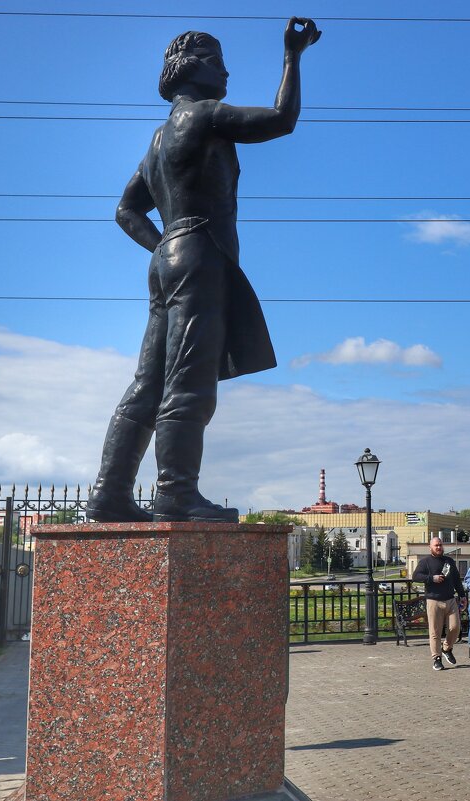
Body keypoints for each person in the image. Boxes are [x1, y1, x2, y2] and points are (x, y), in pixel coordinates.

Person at [86, 19, 321, 524]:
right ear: (193, 68)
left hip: (168, 258)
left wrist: (163, 247)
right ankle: (175, 492)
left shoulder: (155, 142)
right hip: (200, 254)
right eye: (218, 62)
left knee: (147, 382)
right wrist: (292, 55)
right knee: (189, 380)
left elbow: (126, 210)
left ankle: (110, 493)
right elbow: (282, 118)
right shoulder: (205, 116)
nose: (228, 72)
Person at [412, 537, 466, 671]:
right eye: (436, 545)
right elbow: (415, 576)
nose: (439, 547)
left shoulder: (449, 561)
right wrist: (431, 578)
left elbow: (456, 580)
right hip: (434, 601)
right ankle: (436, 658)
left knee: (455, 627)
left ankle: (446, 648)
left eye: (440, 545)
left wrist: (462, 595)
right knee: (435, 632)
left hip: (450, 599)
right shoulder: (425, 562)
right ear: (430, 547)